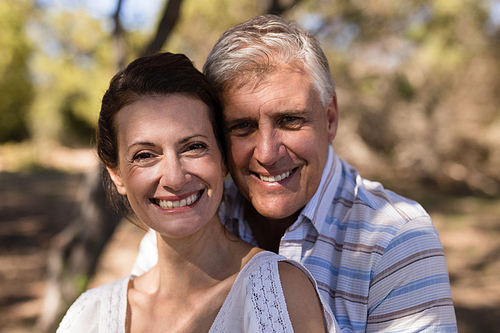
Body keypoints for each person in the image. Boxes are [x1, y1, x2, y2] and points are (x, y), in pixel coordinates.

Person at [132, 15, 458, 332]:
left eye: (289, 120)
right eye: (242, 126)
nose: (267, 153)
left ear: (330, 118)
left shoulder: (395, 237)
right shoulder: (190, 219)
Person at [56, 52, 339, 333]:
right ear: (116, 174)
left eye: (194, 147)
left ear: (224, 158)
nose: (175, 178)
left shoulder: (278, 295)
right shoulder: (88, 314)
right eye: (144, 155)